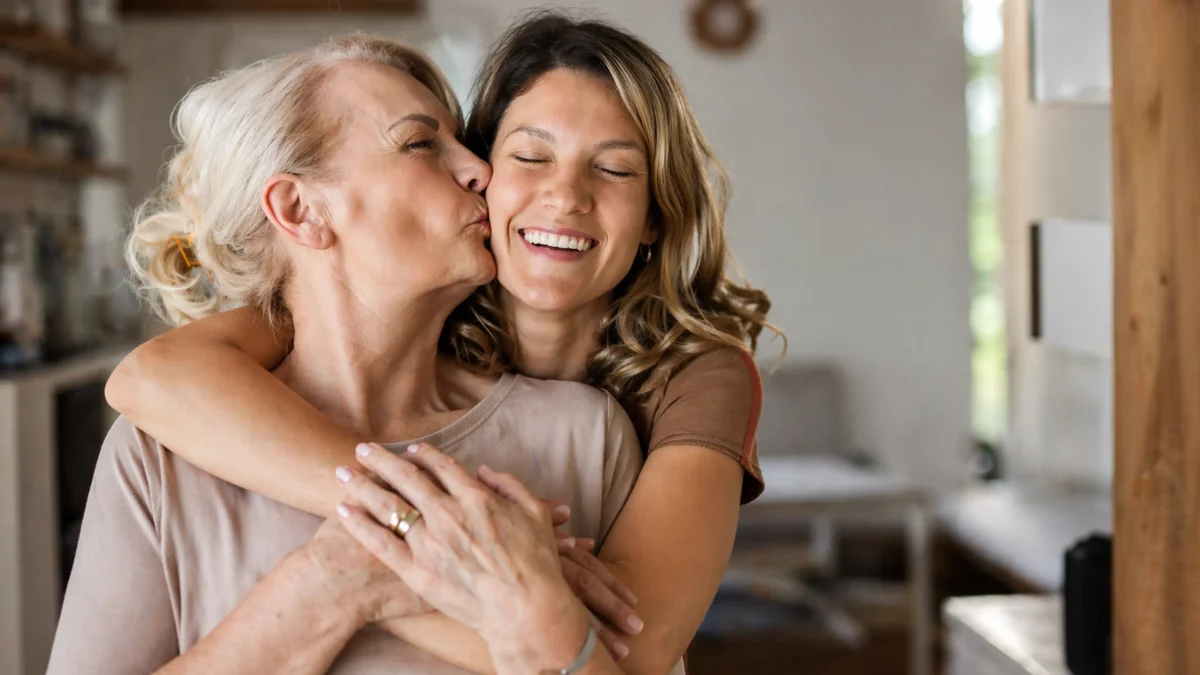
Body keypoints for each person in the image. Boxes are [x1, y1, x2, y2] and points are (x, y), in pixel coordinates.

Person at [105, 11, 779, 674]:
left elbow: (632, 647)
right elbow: (153, 375)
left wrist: (393, 561)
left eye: (616, 169)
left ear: (657, 213)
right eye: (529, 156)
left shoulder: (673, 390)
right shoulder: (394, 313)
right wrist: (412, 535)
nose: (566, 195)